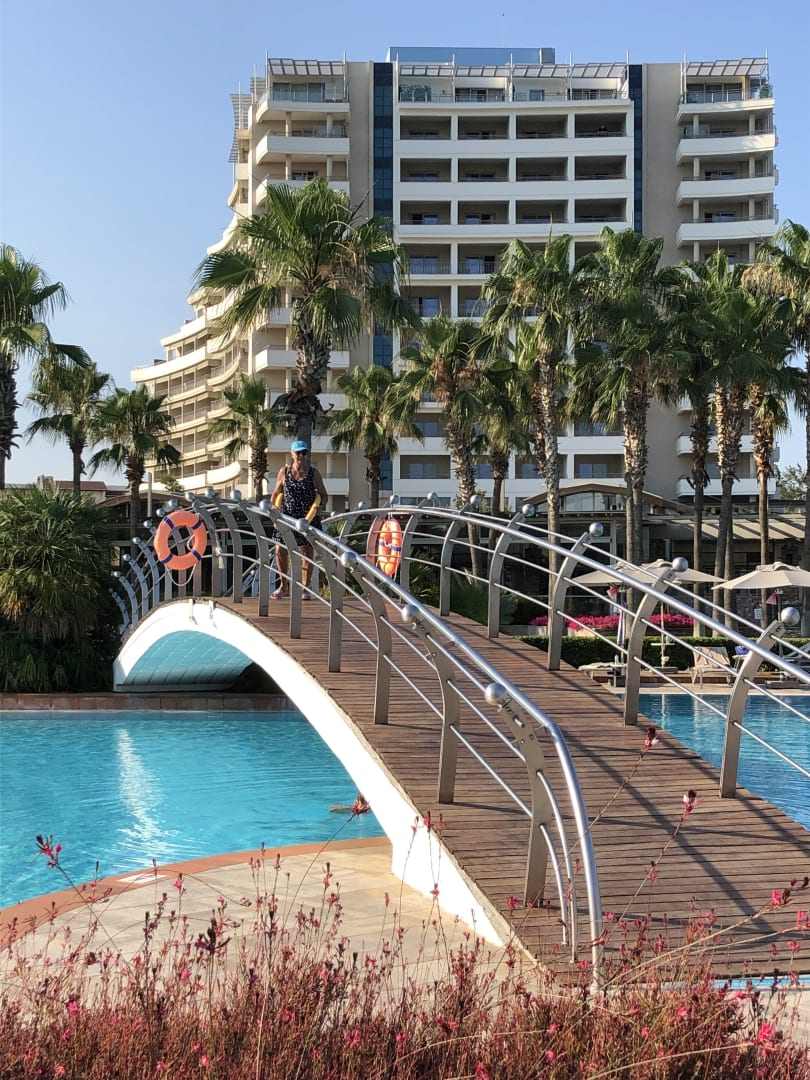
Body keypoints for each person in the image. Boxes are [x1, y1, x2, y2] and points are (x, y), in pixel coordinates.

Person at [270, 440, 328, 600]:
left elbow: (323, 495)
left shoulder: (313, 473)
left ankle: (305, 588)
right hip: (287, 517)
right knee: (280, 549)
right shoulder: (284, 472)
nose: (301, 456)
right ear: (292, 454)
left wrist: (320, 506)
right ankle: (283, 585)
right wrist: (274, 508)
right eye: (298, 453)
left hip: (308, 519)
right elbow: (276, 493)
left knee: (307, 552)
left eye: (304, 453)